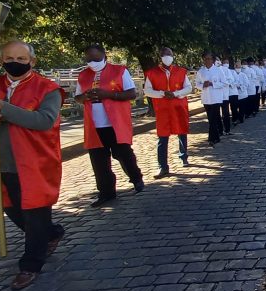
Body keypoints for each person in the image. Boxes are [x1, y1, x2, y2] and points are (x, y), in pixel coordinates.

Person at [0, 40, 64, 290]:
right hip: (0, 160)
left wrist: (5, 109)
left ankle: (30, 265)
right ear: (0, 61)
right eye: (10, 58)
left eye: (22, 59)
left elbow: (44, 120)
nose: (15, 63)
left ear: (32, 61)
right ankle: (50, 233)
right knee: (11, 208)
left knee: (34, 214)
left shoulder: (47, 88)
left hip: (35, 162)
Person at [75, 44, 145, 206]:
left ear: (104, 56)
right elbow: (78, 97)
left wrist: (108, 94)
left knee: (123, 153)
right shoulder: (83, 75)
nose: (92, 62)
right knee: (99, 161)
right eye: (89, 59)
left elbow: (131, 93)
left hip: (115, 122)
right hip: (94, 125)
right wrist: (85, 97)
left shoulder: (119, 71)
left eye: (96, 58)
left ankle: (136, 178)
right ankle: (106, 192)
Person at [144, 47, 192, 178]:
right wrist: (162, 93)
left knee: (182, 131)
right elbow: (147, 91)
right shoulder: (152, 73)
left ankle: (184, 156)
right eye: (164, 54)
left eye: (169, 54)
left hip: (178, 106)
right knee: (162, 137)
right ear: (160, 56)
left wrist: (176, 94)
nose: (167, 56)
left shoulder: (181, 71)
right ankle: (163, 166)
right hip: (163, 109)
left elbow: (188, 88)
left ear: (173, 56)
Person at [195, 51, 226, 145]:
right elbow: (197, 84)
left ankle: (212, 138)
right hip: (206, 98)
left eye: (209, 59)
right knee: (211, 118)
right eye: (205, 59)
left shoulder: (218, 70)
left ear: (212, 60)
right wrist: (203, 85)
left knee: (213, 118)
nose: (207, 61)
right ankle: (216, 136)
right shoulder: (201, 71)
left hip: (216, 98)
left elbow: (224, 83)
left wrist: (213, 84)